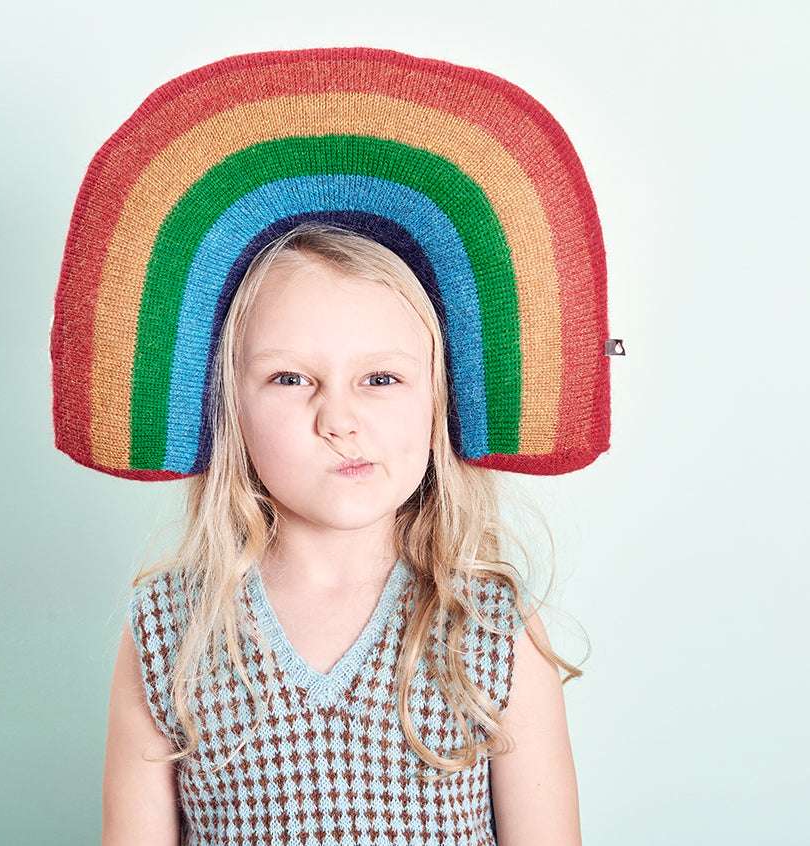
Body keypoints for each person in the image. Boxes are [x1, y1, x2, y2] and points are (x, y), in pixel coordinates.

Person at [50, 47, 612, 846]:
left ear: (437, 401)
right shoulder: (169, 631)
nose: (339, 419)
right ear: (225, 410)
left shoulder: (491, 627)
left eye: (380, 379)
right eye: (289, 380)